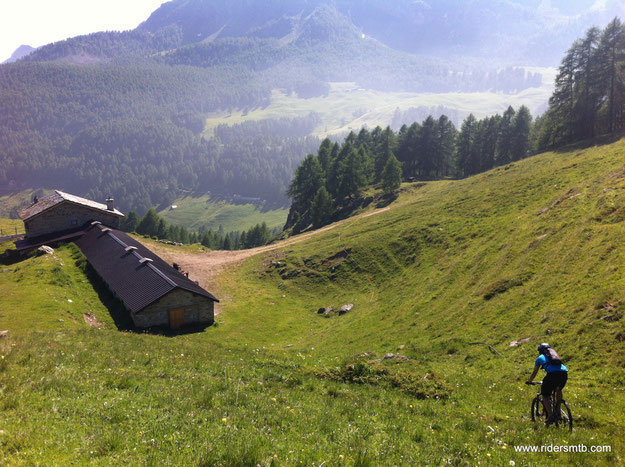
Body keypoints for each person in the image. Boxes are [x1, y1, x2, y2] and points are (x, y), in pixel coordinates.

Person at [526, 343, 568, 426]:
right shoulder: (555, 356)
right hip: (564, 373)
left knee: (545, 395)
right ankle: (558, 410)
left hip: (552, 375)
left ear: (540, 351)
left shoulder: (540, 358)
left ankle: (550, 415)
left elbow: (534, 373)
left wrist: (529, 381)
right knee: (559, 389)